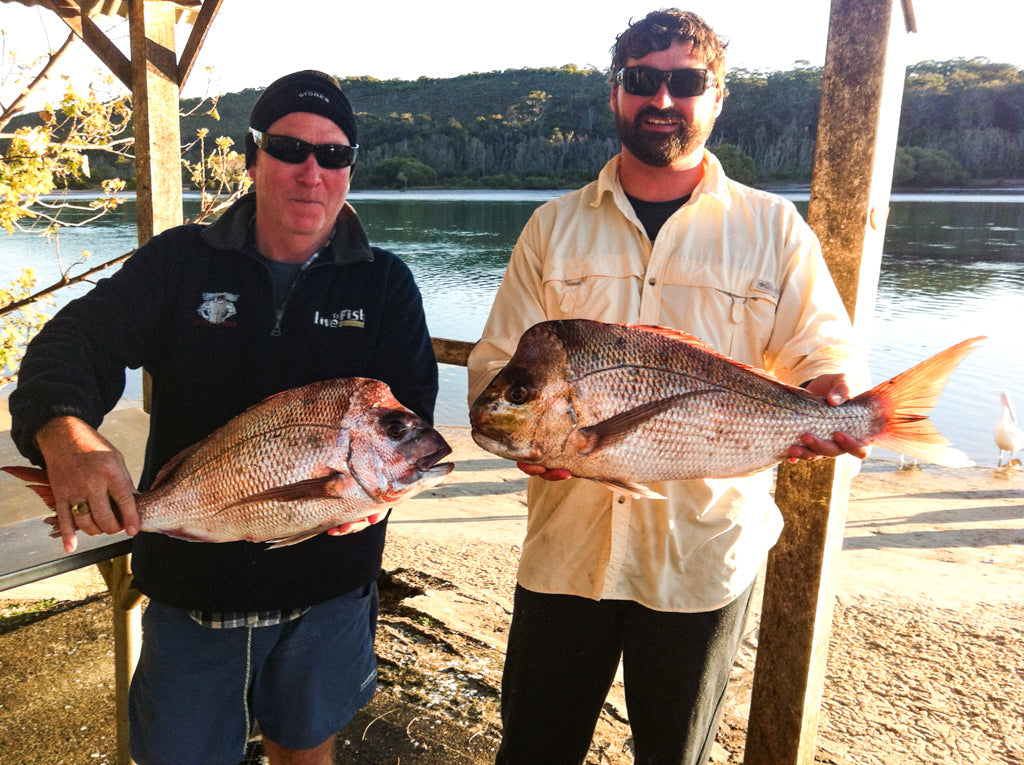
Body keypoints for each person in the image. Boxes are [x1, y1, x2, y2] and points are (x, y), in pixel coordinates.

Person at [467, 10, 869, 765]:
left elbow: (823, 353)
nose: (663, 98)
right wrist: (523, 440)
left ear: (717, 98)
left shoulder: (775, 229)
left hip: (703, 558)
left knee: (674, 755)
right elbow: (496, 372)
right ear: (615, 93)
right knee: (531, 750)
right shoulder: (551, 228)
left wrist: (837, 400)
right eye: (643, 80)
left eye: (686, 82)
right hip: (567, 554)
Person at [9, 70, 438, 765]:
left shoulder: (384, 284)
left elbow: (412, 415)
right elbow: (72, 343)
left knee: (305, 753)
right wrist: (66, 434)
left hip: (327, 592)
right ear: (252, 157)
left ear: (350, 170)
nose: (311, 171)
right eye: (289, 147)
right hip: (192, 589)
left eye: (333, 155)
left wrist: (374, 497)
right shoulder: (180, 262)